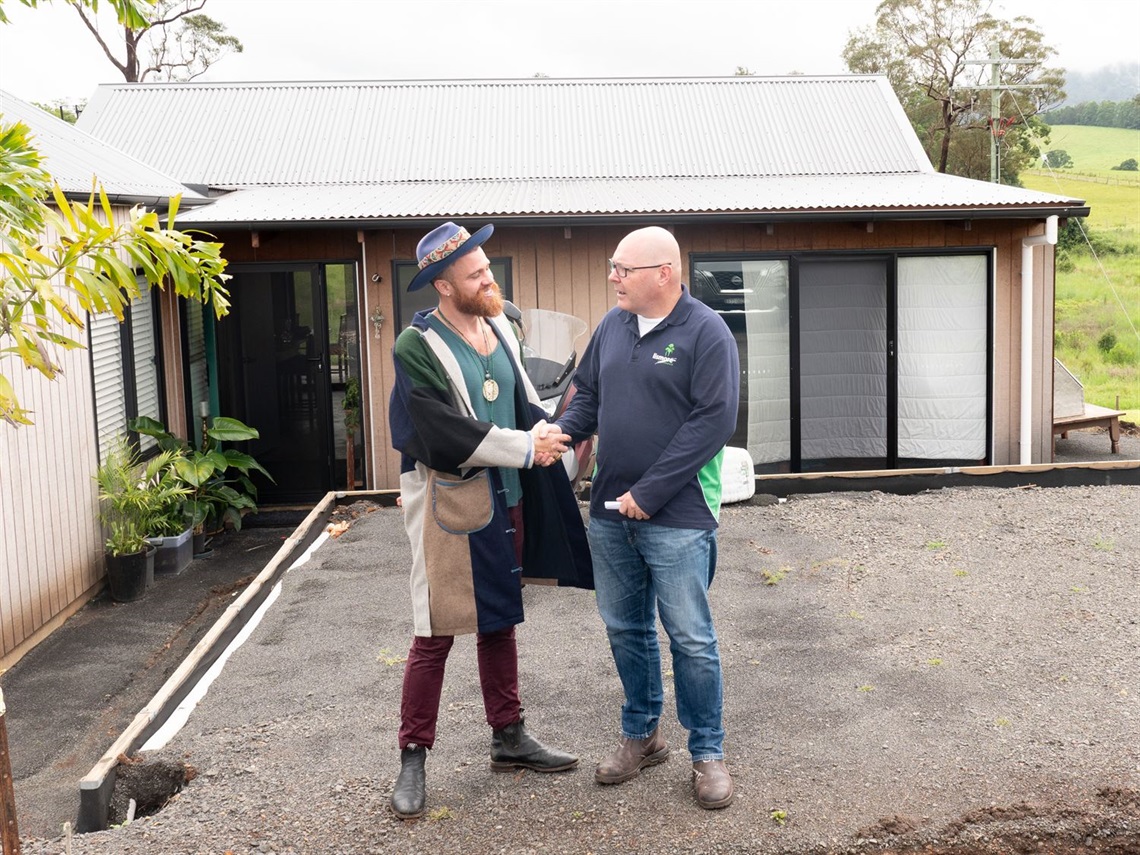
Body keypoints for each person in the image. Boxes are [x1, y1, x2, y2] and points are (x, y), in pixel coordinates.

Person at [387, 222, 593, 819]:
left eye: (487, 267)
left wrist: (549, 431)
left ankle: (508, 737)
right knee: (436, 629)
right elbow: (440, 430)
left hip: (508, 495)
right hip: (451, 501)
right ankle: (413, 755)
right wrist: (527, 448)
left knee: (499, 616)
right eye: (476, 274)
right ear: (445, 287)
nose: (489, 279)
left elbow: (522, 398)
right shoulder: (416, 345)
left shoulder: (498, 324)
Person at [551, 226, 740, 810]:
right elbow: (588, 394)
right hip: (609, 510)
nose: (612, 277)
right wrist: (565, 432)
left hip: (678, 515)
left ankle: (707, 752)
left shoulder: (706, 332)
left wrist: (651, 492)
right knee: (625, 629)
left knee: (690, 637)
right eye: (612, 267)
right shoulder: (612, 326)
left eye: (621, 269)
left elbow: (713, 422)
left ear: (664, 273)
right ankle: (643, 734)